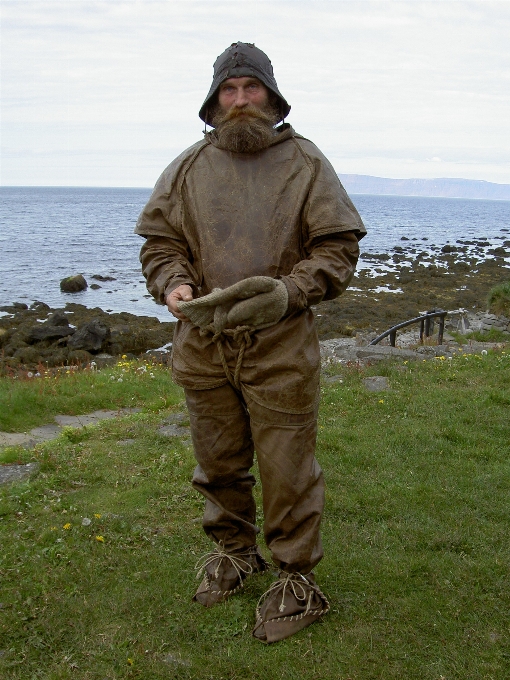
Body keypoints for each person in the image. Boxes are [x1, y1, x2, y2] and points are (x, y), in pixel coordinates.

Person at [135, 42, 366, 643]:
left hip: (280, 347)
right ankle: (234, 552)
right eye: (229, 90)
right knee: (217, 462)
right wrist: (176, 284)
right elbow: (160, 245)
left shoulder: (306, 163)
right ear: (214, 101)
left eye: (251, 88)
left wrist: (288, 293)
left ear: (271, 95)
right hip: (204, 344)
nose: (240, 100)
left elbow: (337, 250)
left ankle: (296, 580)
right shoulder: (186, 168)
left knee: (288, 469)